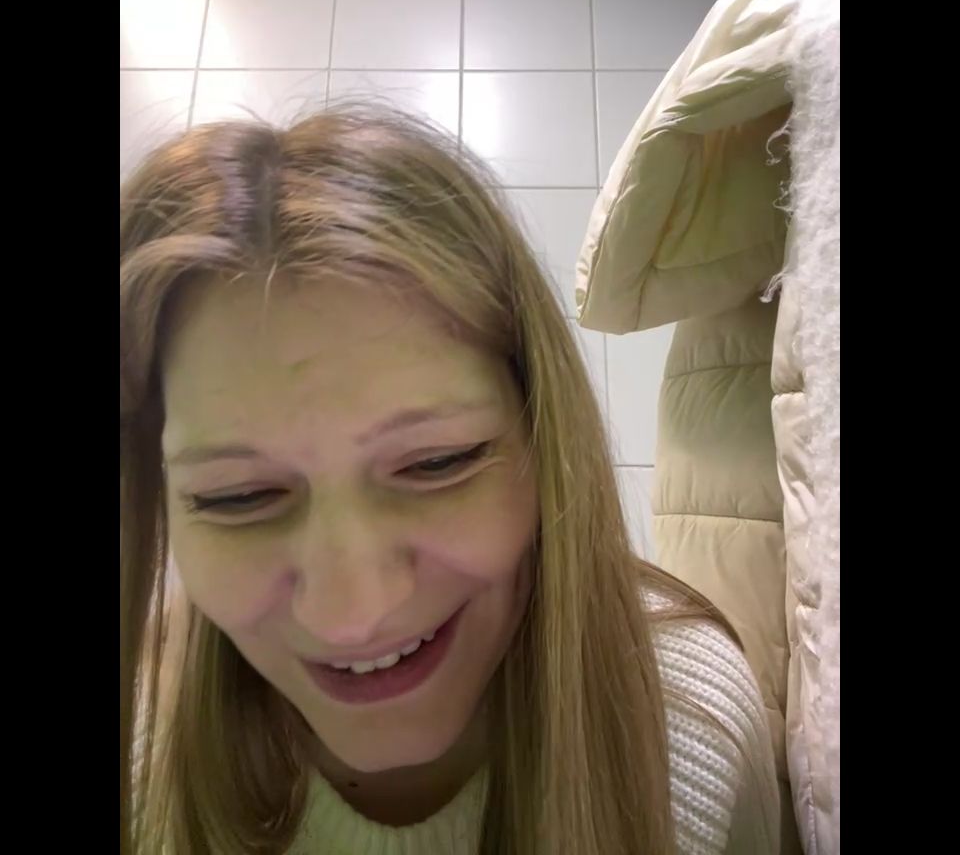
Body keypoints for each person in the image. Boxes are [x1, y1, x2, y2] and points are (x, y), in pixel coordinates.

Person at [120, 106, 780, 855]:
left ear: (544, 437)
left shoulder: (695, 722)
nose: (353, 614)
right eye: (238, 497)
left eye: (437, 463)